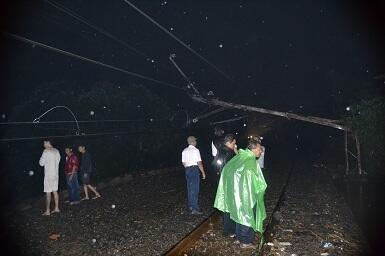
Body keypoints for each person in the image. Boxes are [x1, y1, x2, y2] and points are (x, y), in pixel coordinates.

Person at [214, 138, 267, 249]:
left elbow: (227, 169)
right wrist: (259, 188)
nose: (261, 151)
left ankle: (239, 238)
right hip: (246, 194)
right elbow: (256, 181)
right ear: (252, 149)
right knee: (247, 215)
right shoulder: (250, 161)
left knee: (239, 215)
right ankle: (245, 241)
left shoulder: (240, 157)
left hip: (235, 194)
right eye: (259, 149)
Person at [181, 136, 206, 214]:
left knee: (190, 188)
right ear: (192, 142)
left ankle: (191, 206)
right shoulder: (196, 150)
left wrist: (188, 168)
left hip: (187, 169)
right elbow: (199, 162)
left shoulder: (184, 151)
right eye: (195, 141)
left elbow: (183, 162)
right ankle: (194, 208)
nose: (196, 142)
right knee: (195, 189)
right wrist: (203, 172)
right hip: (194, 169)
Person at [39, 138, 61, 216]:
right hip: (56, 175)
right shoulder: (57, 151)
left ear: (48, 143)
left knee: (48, 193)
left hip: (48, 175)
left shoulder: (46, 151)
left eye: (44, 143)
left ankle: (48, 211)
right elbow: (58, 162)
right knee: (55, 191)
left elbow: (41, 163)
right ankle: (57, 208)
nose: (43, 145)